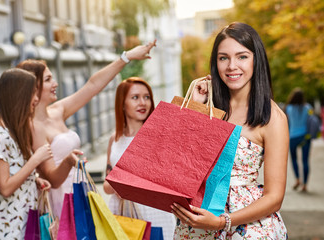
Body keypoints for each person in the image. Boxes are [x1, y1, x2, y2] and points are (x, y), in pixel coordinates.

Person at [171, 22, 289, 239]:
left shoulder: (272, 117)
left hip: (246, 227)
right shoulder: (207, 105)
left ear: (256, 60)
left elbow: (275, 197)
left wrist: (221, 222)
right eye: (223, 57)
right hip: (196, 222)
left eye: (242, 56)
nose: (232, 66)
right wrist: (196, 106)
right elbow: (177, 164)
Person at [16, 40, 156, 218]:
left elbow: (92, 86)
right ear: (33, 86)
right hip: (62, 203)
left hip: (82, 193)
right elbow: (53, 179)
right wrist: (68, 161)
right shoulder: (33, 127)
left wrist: (127, 57)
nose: (56, 83)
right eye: (48, 79)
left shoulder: (57, 111)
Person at [103, 77, 176, 240]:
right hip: (122, 213)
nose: (142, 102)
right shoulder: (114, 139)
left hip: (154, 211)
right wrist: (120, 185)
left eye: (147, 97)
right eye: (135, 97)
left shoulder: (159, 137)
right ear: (122, 103)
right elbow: (107, 185)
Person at [0, 68, 53, 239]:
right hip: (9, 228)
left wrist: (34, 180)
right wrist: (35, 160)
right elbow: (5, 187)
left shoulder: (12, 132)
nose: (36, 99)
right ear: (18, 96)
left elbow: (14, 171)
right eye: (32, 94)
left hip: (25, 222)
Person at [284, 87, 313, 192]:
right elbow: (311, 120)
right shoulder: (308, 107)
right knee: (305, 161)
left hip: (293, 137)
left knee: (294, 159)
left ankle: (297, 179)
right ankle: (305, 185)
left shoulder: (289, 108)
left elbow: (287, 123)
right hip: (305, 137)